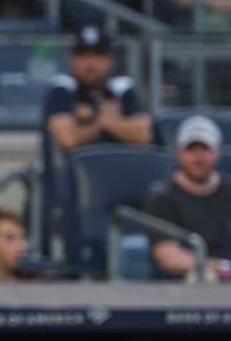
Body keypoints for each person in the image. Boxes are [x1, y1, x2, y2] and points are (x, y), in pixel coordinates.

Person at [43, 25, 152, 156]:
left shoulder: (120, 88)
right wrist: (104, 121)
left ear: (110, 60)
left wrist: (92, 119)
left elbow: (144, 135)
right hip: (69, 174)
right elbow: (68, 140)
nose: (91, 63)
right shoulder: (62, 88)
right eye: (83, 55)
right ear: (72, 59)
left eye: (98, 55)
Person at [145, 115, 231, 281]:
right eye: (191, 149)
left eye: (205, 149)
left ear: (218, 152)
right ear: (178, 152)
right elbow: (169, 257)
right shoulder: (162, 197)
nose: (198, 157)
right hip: (181, 288)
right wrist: (219, 268)